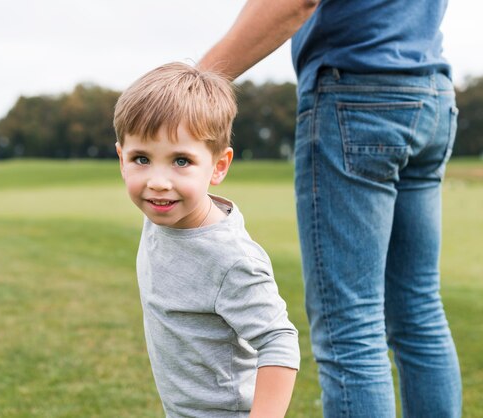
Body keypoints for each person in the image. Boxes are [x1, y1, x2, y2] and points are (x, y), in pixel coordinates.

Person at [198, 0, 463, 417]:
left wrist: (196, 82)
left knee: (351, 329)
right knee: (419, 313)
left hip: (357, 93)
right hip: (430, 92)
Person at [113, 62, 300, 417]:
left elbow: (279, 341)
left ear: (218, 166)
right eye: (142, 159)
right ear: (122, 159)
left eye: (181, 160)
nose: (158, 181)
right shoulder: (159, 214)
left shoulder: (232, 260)